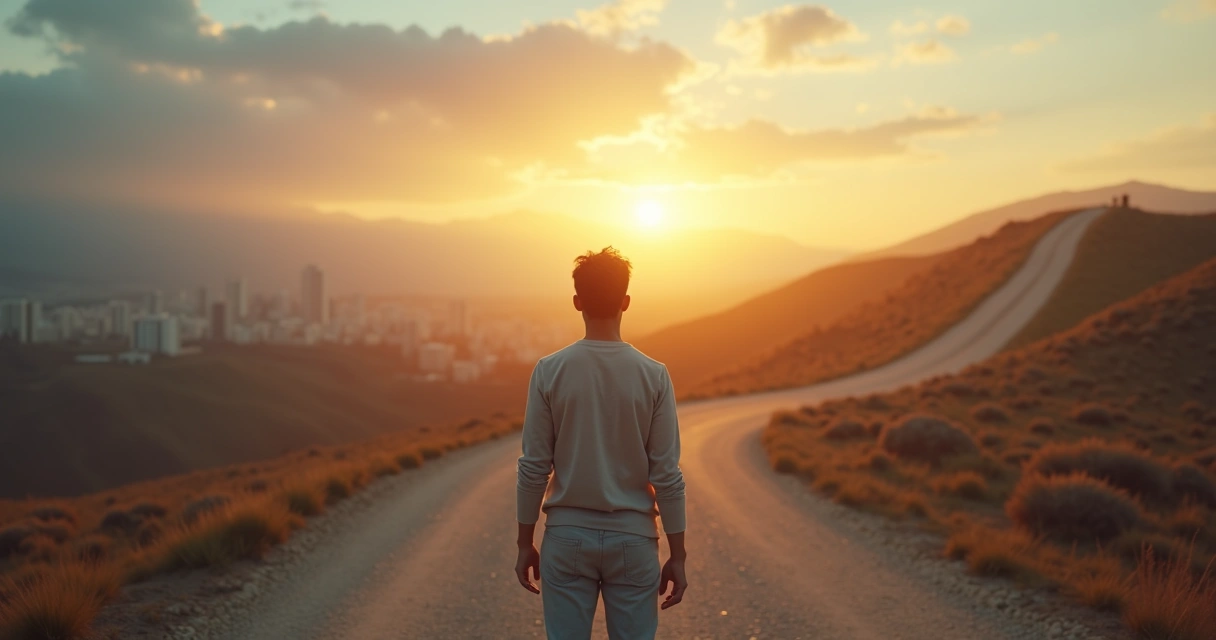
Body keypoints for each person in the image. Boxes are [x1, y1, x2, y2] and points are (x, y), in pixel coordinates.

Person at [514, 247, 688, 640]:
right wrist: (678, 555)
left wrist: (525, 542)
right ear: (626, 302)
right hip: (634, 540)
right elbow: (667, 475)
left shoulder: (549, 371)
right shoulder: (654, 376)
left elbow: (533, 467)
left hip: (566, 537)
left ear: (577, 303)